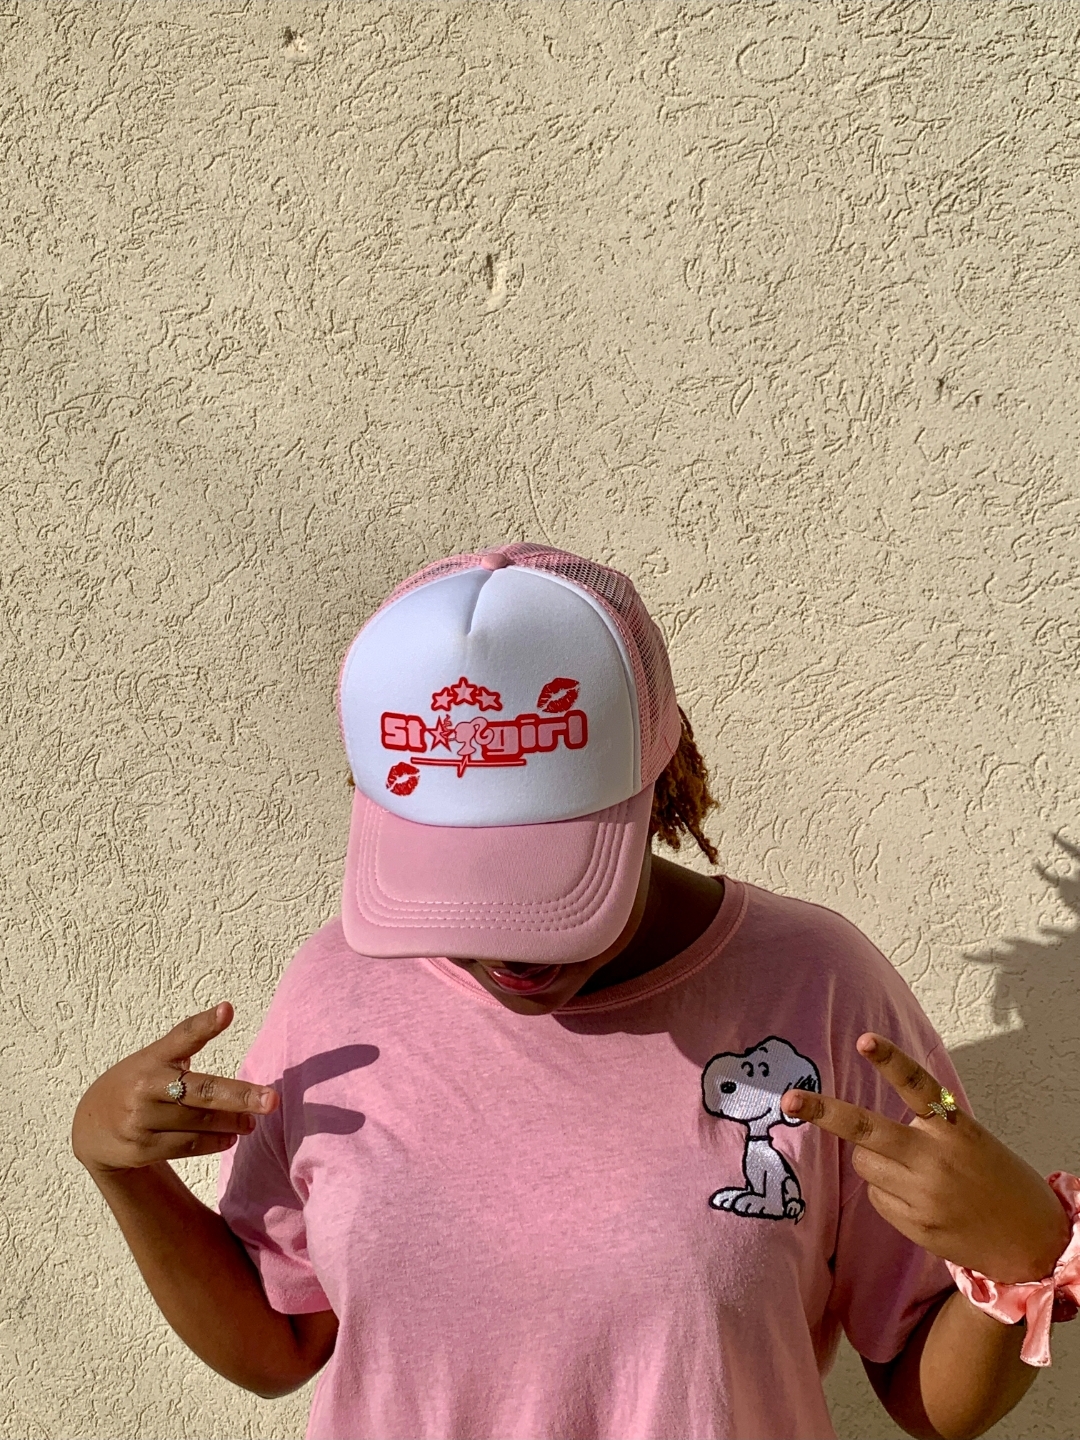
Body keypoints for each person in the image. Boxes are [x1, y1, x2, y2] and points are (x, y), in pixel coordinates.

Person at [72, 543, 1080, 1440]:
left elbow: (929, 1404)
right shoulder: (337, 987)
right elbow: (280, 1346)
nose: (502, 948)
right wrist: (121, 1170)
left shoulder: (816, 987)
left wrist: (1022, 1257)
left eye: (541, 880)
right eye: (457, 882)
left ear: (661, 780)